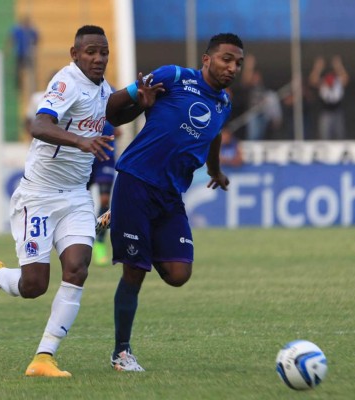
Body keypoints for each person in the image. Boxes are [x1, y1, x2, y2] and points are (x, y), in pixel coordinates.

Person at [0, 25, 161, 378]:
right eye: (90, 51)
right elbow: (39, 126)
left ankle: (44, 357)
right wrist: (80, 141)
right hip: (38, 195)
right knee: (34, 285)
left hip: (74, 195)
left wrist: (140, 107)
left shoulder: (103, 90)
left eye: (103, 51)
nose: (98, 58)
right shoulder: (66, 82)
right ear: (75, 54)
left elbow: (113, 117)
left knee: (78, 267)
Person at [105, 32, 244, 372]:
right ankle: (121, 353)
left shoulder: (223, 103)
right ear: (207, 59)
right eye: (226, 59)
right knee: (135, 272)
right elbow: (112, 111)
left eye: (238, 62)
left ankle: (125, 223)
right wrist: (141, 102)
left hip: (169, 195)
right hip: (136, 182)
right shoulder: (173, 77)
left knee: (180, 273)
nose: (232, 67)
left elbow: (214, 135)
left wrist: (216, 169)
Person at [89, 120, 120, 266]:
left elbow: (118, 128)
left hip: (106, 158)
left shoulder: (110, 97)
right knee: (75, 200)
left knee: (105, 201)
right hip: (84, 157)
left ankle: (99, 242)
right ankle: (79, 238)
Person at [309, 56, 349, 140]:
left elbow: (345, 78)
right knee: (324, 134)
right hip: (326, 113)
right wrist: (318, 68)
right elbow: (313, 80)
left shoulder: (338, 83)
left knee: (340, 134)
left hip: (337, 112)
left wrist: (338, 66)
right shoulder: (323, 84)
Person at [10, 16, 39, 91]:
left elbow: (37, 38)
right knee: (18, 70)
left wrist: (34, 47)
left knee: (31, 70)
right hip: (20, 53)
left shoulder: (31, 31)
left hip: (29, 54)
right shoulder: (18, 31)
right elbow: (12, 39)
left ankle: (33, 85)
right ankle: (19, 85)